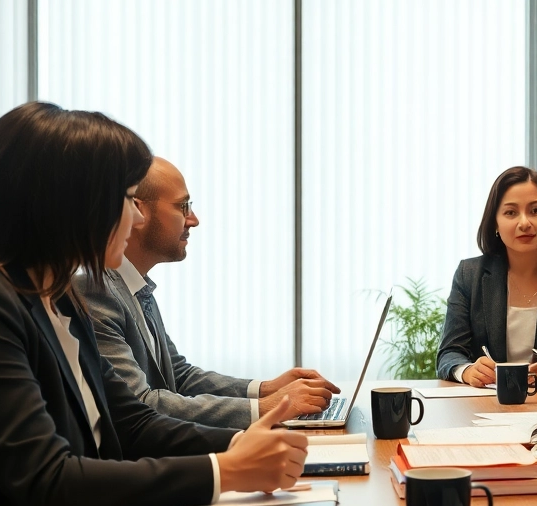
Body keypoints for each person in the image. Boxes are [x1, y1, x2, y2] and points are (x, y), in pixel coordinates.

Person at [0, 102, 309, 506]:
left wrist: (243, 446)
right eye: (129, 200)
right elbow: (48, 477)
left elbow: (130, 423)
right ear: (73, 202)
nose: (134, 219)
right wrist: (227, 471)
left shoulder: (58, 295)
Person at [74, 157, 339, 429]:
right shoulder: (95, 291)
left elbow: (179, 376)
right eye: (183, 206)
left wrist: (266, 389)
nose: (194, 219)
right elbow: (141, 403)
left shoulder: (136, 286)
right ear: (138, 210)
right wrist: (266, 407)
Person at [437, 166, 537, 387]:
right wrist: (467, 371)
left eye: (535, 210)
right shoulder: (469, 275)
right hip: (486, 404)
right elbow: (449, 352)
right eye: (511, 212)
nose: (525, 223)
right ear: (495, 222)